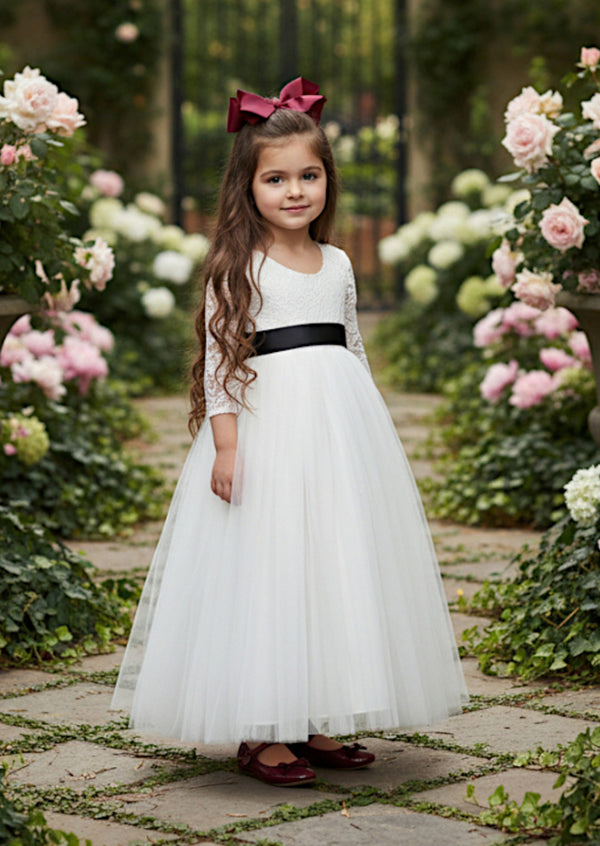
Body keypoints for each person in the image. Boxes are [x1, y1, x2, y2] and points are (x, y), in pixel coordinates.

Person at [111, 78, 468, 788]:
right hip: (268, 429)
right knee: (269, 565)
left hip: (336, 428)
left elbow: (354, 344)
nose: (295, 191)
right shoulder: (236, 266)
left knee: (330, 561)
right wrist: (228, 443)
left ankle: (315, 716)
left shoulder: (335, 263)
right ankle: (261, 728)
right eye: (276, 179)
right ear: (248, 188)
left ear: (328, 181)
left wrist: (368, 423)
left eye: (309, 176)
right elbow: (220, 359)